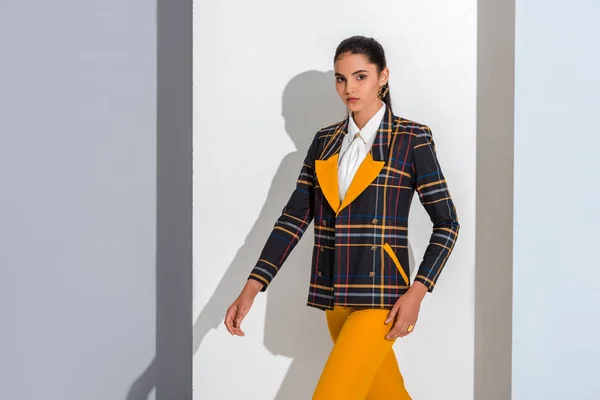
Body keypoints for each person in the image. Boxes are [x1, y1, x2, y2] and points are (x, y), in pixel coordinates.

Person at [224, 35, 460, 400]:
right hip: (334, 295)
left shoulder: (411, 138)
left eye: (360, 76)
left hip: (384, 295)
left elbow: (447, 223)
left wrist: (418, 290)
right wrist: (252, 287)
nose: (349, 88)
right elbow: (293, 221)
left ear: (383, 77)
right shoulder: (325, 142)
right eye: (340, 78)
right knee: (386, 394)